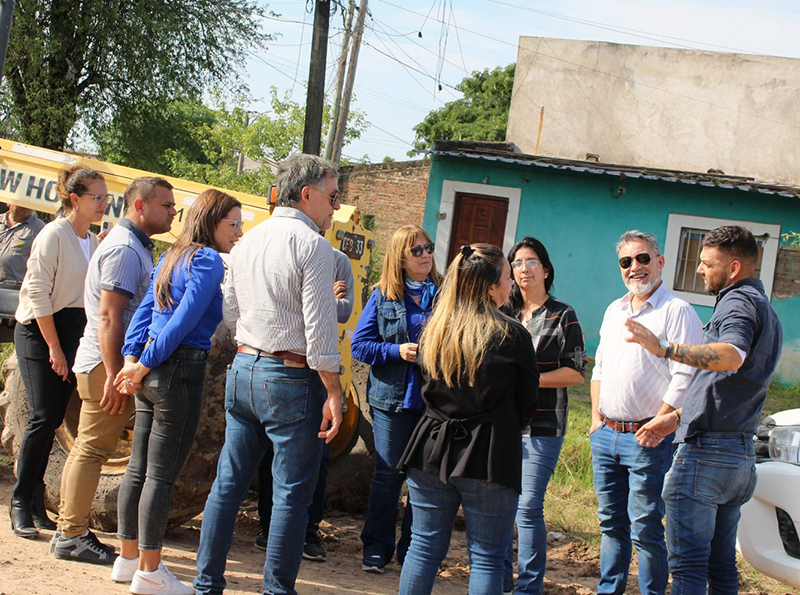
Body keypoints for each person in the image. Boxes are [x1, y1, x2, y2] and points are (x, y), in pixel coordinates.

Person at [193, 154, 343, 595]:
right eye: (333, 197)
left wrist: (255, 340)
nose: (335, 206)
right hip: (290, 377)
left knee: (229, 483)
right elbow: (319, 330)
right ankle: (277, 590)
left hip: (245, 368)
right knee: (292, 495)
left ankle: (206, 585)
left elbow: (232, 311)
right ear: (308, 193)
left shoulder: (248, 241)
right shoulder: (312, 245)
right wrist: (333, 391)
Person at [624, 225, 783, 595]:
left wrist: (664, 348)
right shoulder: (763, 307)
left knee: (689, 566)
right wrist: (677, 418)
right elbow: (730, 386)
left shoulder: (738, 302)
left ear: (733, 268)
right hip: (738, 456)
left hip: (708, 458)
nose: (699, 270)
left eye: (707, 263)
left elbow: (730, 356)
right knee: (720, 563)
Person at [112, 189, 243, 594]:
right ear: (211, 221)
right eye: (233, 224)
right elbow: (183, 321)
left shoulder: (170, 256)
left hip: (150, 375)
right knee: (161, 476)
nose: (238, 232)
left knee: (139, 469)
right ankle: (150, 572)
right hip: (178, 371)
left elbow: (145, 313)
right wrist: (144, 361)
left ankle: (128, 558)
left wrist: (132, 359)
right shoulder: (205, 260)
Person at [397, 243, 539, 594]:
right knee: (487, 556)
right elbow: (527, 403)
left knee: (424, 548)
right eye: (508, 277)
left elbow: (425, 386)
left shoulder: (435, 329)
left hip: (431, 449)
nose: (512, 284)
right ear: (491, 287)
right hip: (489, 454)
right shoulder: (512, 334)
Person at [51, 177, 176, 563]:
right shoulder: (124, 249)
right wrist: (114, 372)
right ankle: (70, 534)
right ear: (140, 206)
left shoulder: (133, 246)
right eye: (166, 206)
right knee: (92, 449)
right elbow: (109, 316)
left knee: (93, 448)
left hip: (108, 362)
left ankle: (71, 531)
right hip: (106, 364)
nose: (173, 213)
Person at [589, 230, 703, 595]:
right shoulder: (614, 310)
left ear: (660, 262)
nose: (635, 267)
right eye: (626, 262)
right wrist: (595, 419)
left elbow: (687, 375)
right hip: (606, 435)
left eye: (642, 259)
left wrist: (662, 420)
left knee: (646, 527)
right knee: (610, 524)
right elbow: (600, 369)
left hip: (648, 439)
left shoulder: (677, 311)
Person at [8, 167, 108, 539]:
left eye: (105, 197)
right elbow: (36, 294)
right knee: (43, 413)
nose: (103, 204)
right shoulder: (53, 235)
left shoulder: (94, 241)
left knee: (54, 419)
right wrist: (53, 348)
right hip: (38, 329)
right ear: (74, 199)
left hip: (73, 330)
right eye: (96, 197)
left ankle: (35, 499)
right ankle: (20, 500)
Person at [350, 223, 443, 573]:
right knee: (389, 476)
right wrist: (395, 350)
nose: (425, 255)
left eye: (428, 247)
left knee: (424, 478)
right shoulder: (383, 296)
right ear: (400, 259)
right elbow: (359, 346)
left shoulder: (443, 294)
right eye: (416, 250)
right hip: (392, 400)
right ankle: (376, 547)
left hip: (433, 402)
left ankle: (413, 552)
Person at [255, 244, 355, 561]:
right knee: (274, 453)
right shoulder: (278, 250)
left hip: (321, 373)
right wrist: (324, 295)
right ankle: (267, 527)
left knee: (318, 456)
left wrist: (319, 299)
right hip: (284, 368)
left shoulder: (339, 262)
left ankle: (309, 531)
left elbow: (343, 310)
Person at [501, 237, 586, 594]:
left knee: (528, 505)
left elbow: (576, 371)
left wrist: (530, 379)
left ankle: (529, 586)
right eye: (517, 263)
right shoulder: (502, 312)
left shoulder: (562, 314)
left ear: (546, 269)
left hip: (543, 424)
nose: (524, 269)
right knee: (503, 504)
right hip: (502, 424)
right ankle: (500, 579)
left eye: (531, 261)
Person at [0, 203, 45, 287]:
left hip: (15, 289)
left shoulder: (39, 228)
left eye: (28, 201)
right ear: (8, 203)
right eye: (20, 202)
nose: (25, 205)